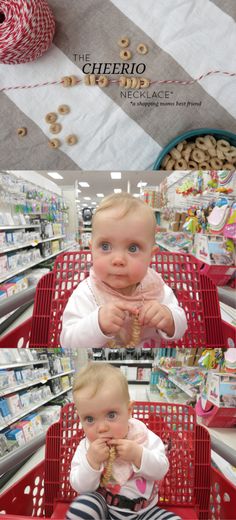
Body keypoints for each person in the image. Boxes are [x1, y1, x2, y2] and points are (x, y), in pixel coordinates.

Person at [60, 193, 187, 350]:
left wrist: (169, 318)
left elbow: (182, 325)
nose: (118, 259)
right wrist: (96, 323)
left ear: (151, 256)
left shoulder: (155, 287)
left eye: (133, 248)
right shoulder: (88, 292)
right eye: (105, 246)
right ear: (91, 249)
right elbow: (67, 341)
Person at [66, 362, 181, 520]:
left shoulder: (142, 436)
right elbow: (80, 487)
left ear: (128, 412)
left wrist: (138, 455)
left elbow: (161, 469)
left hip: (145, 512)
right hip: (103, 509)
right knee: (82, 507)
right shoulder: (87, 447)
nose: (102, 428)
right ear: (80, 419)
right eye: (90, 419)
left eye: (111, 415)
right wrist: (91, 462)